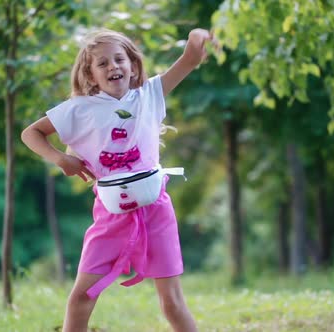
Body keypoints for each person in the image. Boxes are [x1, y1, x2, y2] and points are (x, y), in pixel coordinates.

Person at [21, 28, 216, 332]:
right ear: (90, 75)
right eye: (102, 63)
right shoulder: (79, 109)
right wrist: (61, 159)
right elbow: (30, 133)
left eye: (119, 59)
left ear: (133, 65)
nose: (113, 66)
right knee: (81, 298)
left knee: (172, 303)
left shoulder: (150, 94)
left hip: (156, 210)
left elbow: (189, 60)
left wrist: (196, 37)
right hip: (110, 215)